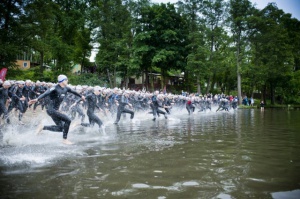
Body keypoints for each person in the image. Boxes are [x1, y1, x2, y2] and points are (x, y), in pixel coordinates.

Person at [29, 75, 85, 145]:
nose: (67, 81)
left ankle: (43, 127)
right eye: (66, 79)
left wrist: (81, 96)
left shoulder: (66, 88)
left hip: (55, 110)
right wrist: (37, 99)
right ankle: (65, 140)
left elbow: (74, 92)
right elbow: (46, 93)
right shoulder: (54, 88)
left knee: (61, 128)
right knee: (68, 120)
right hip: (51, 109)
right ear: (62, 81)